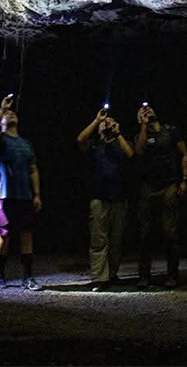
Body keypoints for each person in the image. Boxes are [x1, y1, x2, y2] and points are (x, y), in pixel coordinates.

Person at [0, 94, 43, 291]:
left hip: (24, 195)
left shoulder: (26, 144)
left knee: (26, 234)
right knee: (4, 235)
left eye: (12, 113)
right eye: (6, 115)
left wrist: (36, 194)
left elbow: (33, 168)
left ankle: (28, 277)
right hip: (2, 195)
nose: (11, 115)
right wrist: (2, 108)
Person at [75, 106, 134, 291]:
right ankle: (99, 278)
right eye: (105, 123)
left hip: (119, 197)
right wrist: (96, 121)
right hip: (99, 197)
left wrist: (118, 134)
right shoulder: (94, 145)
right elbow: (80, 139)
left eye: (110, 122)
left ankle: (112, 274)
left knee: (116, 240)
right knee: (98, 240)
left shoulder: (121, 142)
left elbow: (131, 155)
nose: (107, 124)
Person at [134, 103, 187, 289]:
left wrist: (184, 180)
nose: (147, 110)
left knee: (170, 232)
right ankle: (144, 276)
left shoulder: (171, 131)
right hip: (148, 186)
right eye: (143, 110)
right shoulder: (141, 135)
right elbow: (139, 151)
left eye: (149, 109)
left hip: (169, 185)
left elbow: (184, 154)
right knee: (144, 233)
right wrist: (143, 125)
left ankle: (172, 275)